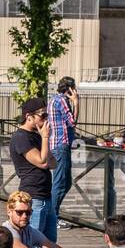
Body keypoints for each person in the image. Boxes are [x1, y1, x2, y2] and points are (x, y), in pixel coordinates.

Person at [9, 98, 55, 240]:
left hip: (46, 196)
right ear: (29, 117)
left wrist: (44, 139)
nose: (46, 120)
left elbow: (53, 163)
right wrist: (46, 137)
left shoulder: (37, 136)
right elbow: (42, 162)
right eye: (43, 116)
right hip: (33, 196)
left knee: (50, 243)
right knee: (33, 243)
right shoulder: (21, 137)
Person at [47, 76, 78, 234]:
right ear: (70, 89)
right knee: (60, 183)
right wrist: (76, 103)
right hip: (61, 146)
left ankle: (52, 214)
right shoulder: (62, 101)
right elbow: (72, 122)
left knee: (65, 183)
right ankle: (53, 217)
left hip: (57, 145)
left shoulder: (53, 99)